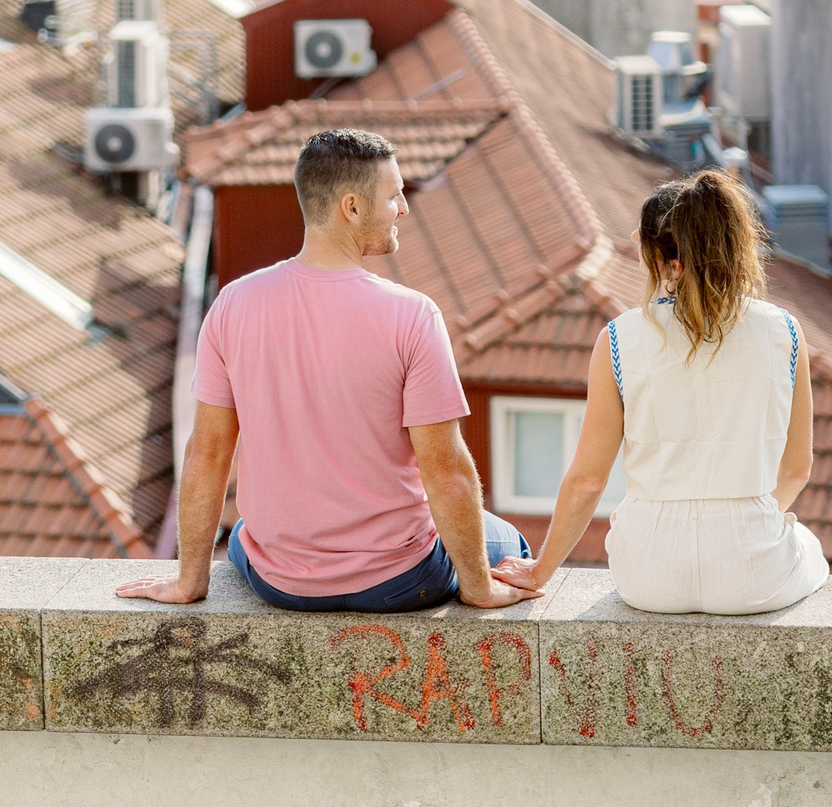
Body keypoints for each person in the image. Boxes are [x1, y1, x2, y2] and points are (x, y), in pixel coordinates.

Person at [116, 127, 529, 613]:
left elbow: (207, 453)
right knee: (510, 546)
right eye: (394, 196)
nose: (404, 208)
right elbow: (446, 472)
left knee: (245, 535)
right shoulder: (413, 315)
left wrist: (189, 582)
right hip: (399, 580)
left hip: (280, 583)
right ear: (351, 208)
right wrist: (479, 589)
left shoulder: (233, 303)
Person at [490, 169, 829, 615]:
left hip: (648, 574)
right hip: (752, 574)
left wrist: (540, 571)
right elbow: (797, 468)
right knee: (808, 545)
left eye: (644, 237)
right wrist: (744, 522)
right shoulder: (785, 331)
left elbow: (588, 481)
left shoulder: (617, 339)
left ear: (674, 264)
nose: (633, 236)